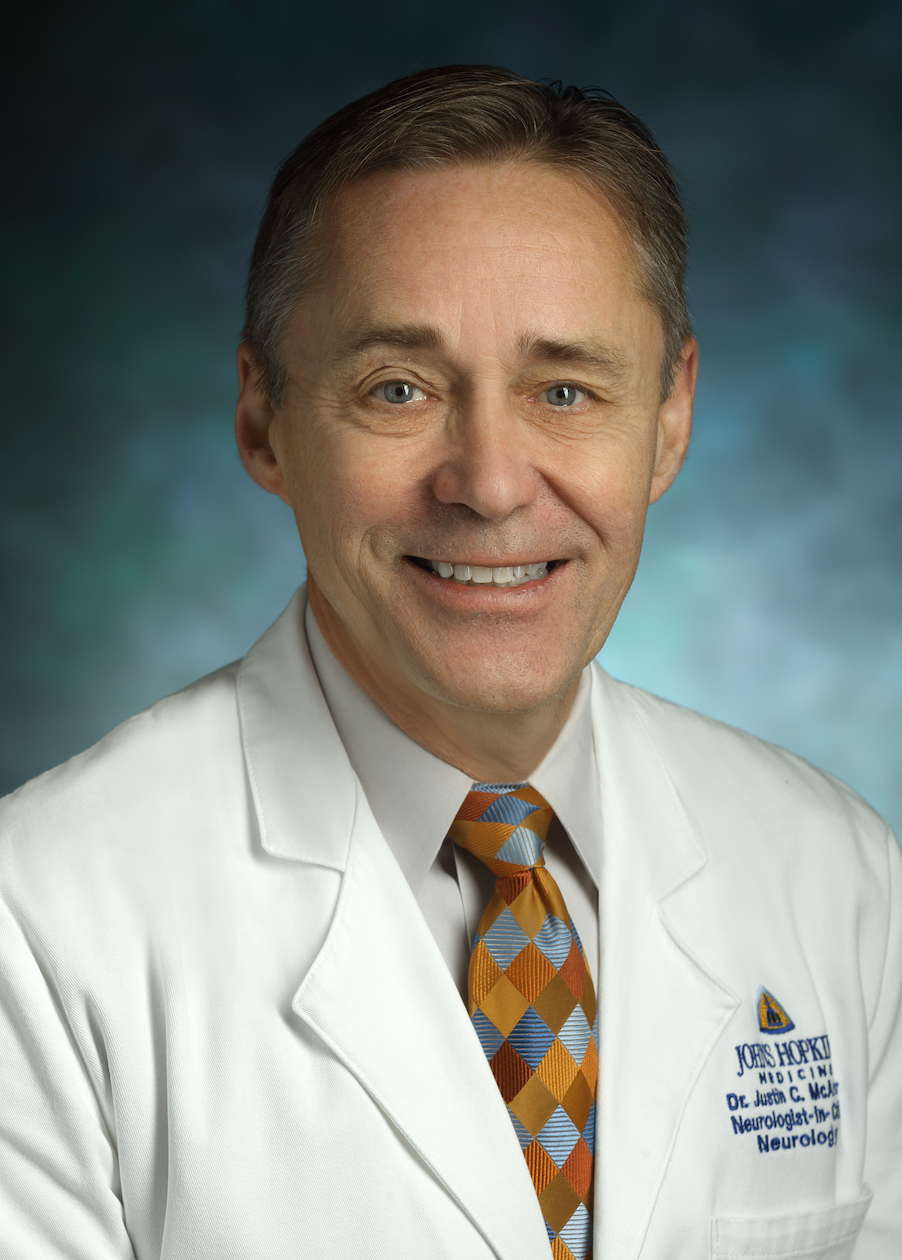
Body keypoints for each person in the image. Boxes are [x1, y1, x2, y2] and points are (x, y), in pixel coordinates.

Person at [1, 65, 899, 1260]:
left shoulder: (835, 874)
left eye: (565, 389)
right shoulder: (43, 921)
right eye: (398, 389)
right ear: (263, 420)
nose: (486, 482)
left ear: (669, 419)